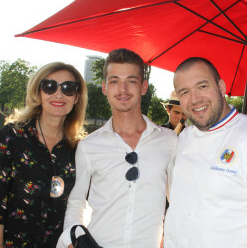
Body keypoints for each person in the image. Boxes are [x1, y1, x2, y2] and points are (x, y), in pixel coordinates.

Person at [57, 49, 178, 248]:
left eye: (131, 81)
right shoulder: (89, 146)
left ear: (143, 87)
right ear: (104, 87)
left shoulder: (170, 141)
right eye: (114, 81)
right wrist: (73, 240)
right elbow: (76, 203)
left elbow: (177, 201)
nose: (122, 89)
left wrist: (170, 239)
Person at [164, 57, 247, 248]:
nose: (195, 99)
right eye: (185, 92)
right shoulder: (184, 139)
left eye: (202, 86)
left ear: (221, 87)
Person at [0, 62, 87, 247]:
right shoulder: (12, 136)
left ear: (77, 97)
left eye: (68, 88)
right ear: (38, 92)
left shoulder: (80, 148)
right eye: (49, 86)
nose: (58, 94)